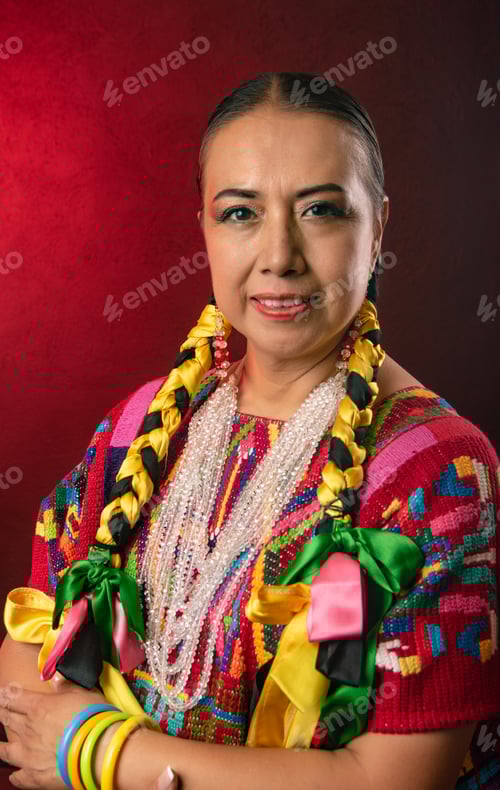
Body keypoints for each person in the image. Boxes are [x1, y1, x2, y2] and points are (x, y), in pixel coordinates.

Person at [0, 71, 499, 790]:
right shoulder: (140, 426)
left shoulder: (438, 470)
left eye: (322, 210)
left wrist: (101, 753)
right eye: (240, 213)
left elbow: (392, 780)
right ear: (202, 224)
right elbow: (25, 653)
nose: (280, 255)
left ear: (379, 224)